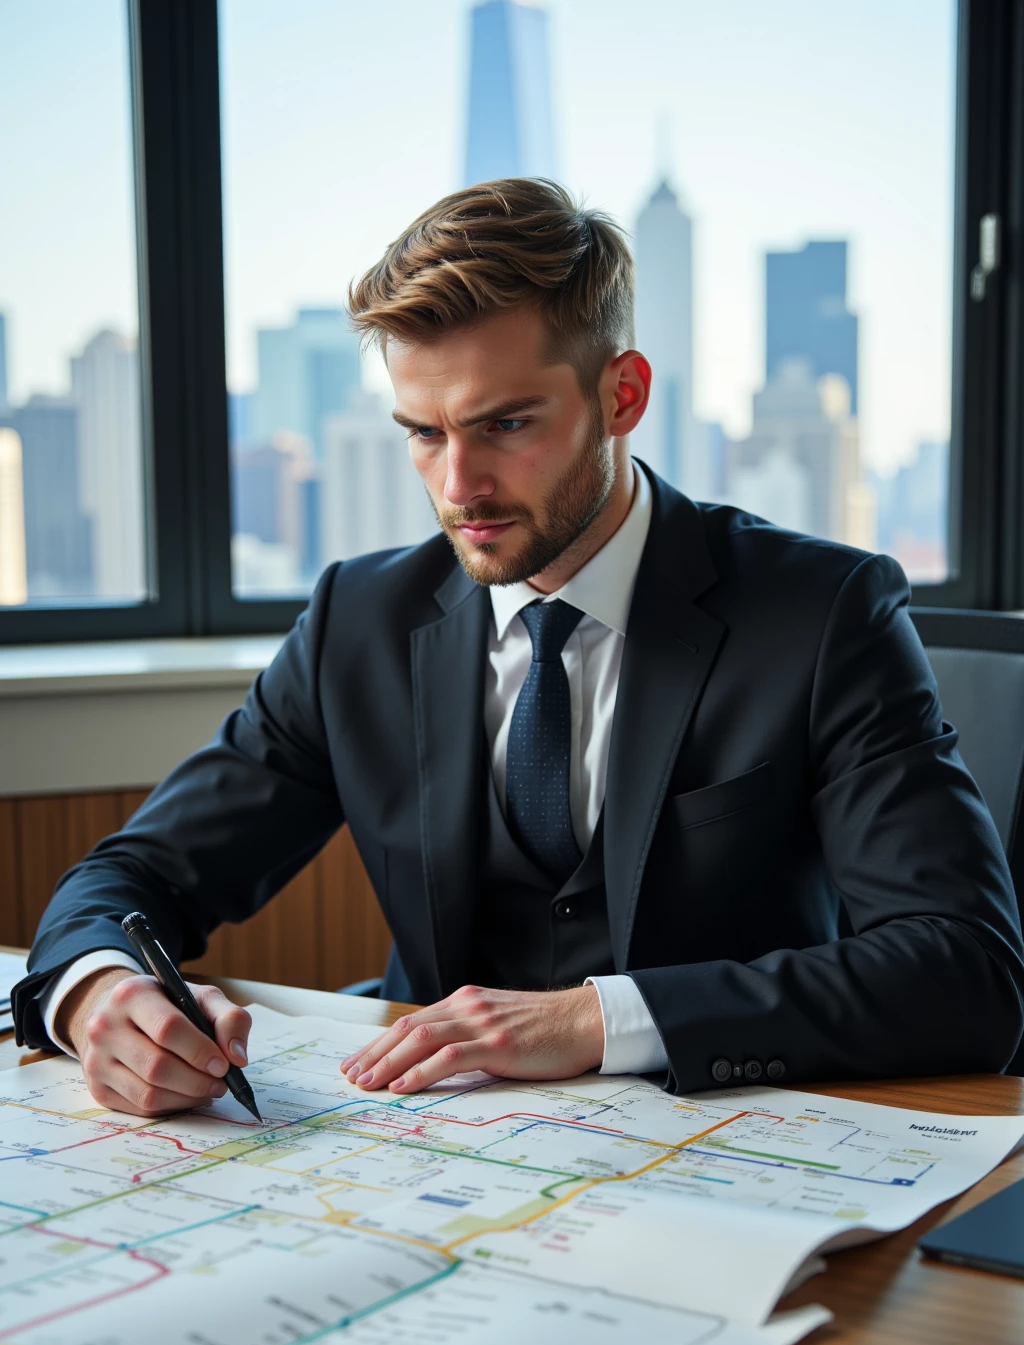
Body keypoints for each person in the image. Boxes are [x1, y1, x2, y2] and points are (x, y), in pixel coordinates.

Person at [13, 178, 1024, 1115]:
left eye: (504, 424)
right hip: (429, 1156)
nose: (459, 486)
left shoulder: (822, 611)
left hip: (730, 1140)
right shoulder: (354, 623)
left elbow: (966, 970)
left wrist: (592, 1019)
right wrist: (97, 992)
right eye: (422, 431)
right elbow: (133, 877)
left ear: (620, 396)